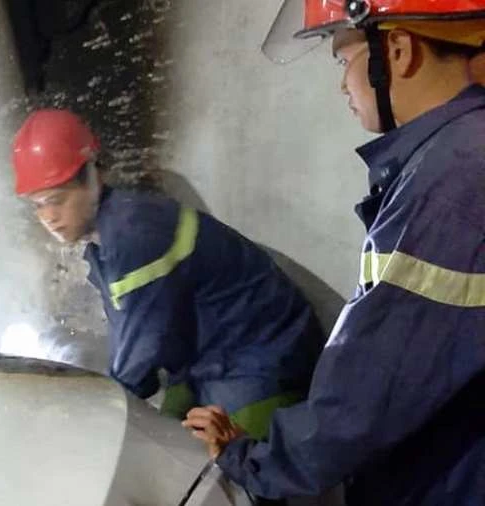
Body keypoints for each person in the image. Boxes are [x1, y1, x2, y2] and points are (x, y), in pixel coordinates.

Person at [183, 1, 485, 504]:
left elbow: (367, 398)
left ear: (398, 50)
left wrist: (247, 457)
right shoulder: (457, 155)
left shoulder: (452, 180)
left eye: (344, 59)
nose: (343, 84)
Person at [11, 108, 325, 438]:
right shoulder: (105, 243)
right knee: (163, 434)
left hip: (263, 355)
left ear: (93, 177)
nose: (48, 217)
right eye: (38, 205)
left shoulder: (133, 233)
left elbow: (140, 347)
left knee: (222, 462)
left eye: (57, 200)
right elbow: (132, 342)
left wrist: (103, 410)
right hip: (208, 358)